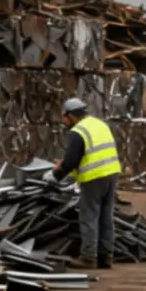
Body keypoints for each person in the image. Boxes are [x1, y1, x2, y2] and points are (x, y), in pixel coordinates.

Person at [52, 97, 122, 269]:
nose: (64, 122)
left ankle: (88, 257)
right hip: (112, 173)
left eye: (64, 117)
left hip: (94, 177)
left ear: (70, 115)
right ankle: (106, 257)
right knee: (106, 217)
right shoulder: (100, 124)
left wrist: (56, 175)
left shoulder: (78, 131)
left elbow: (71, 161)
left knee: (89, 216)